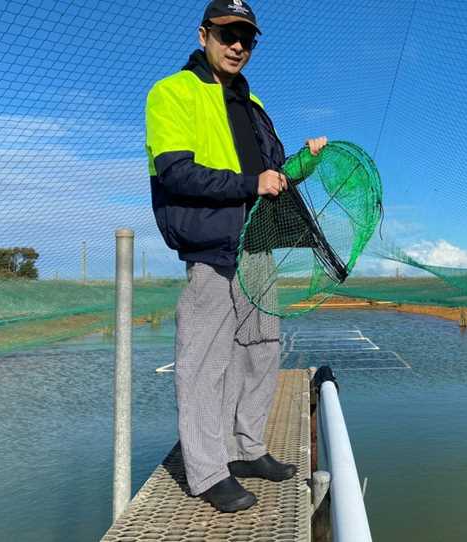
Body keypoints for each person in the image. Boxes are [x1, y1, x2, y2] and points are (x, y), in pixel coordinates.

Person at [145, 0, 327, 513]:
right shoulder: (172, 92)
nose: (238, 46)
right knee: (203, 363)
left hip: (258, 246)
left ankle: (246, 449)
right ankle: (207, 471)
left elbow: (276, 178)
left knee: (260, 351)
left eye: (246, 37)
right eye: (227, 34)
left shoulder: (255, 102)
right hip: (213, 248)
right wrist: (251, 182)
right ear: (204, 35)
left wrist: (304, 163)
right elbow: (176, 172)